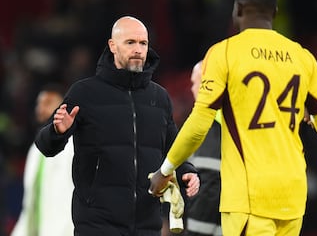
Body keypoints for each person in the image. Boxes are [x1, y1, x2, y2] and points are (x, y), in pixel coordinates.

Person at [149, 0, 317, 235]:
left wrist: (165, 171)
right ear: (275, 12)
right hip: (292, 195)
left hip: (250, 197)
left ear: (238, 9)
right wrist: (310, 115)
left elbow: (199, 124)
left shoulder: (224, 53)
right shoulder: (303, 57)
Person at [34, 16, 200, 236]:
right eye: (130, 42)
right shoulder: (84, 93)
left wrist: (187, 171)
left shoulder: (159, 98)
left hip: (146, 226)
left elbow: (173, 145)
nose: (138, 49)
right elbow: (45, 146)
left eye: (143, 43)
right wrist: (57, 132)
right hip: (97, 226)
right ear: (112, 46)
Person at [11, 84, 74, 236]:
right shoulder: (35, 150)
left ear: (63, 106)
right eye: (39, 104)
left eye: (48, 103)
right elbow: (31, 200)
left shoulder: (74, 144)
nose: (41, 109)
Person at [186, 61, 222, 236]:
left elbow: (210, 185)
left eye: (195, 82)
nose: (192, 88)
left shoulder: (212, 127)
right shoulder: (205, 124)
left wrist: (196, 231)